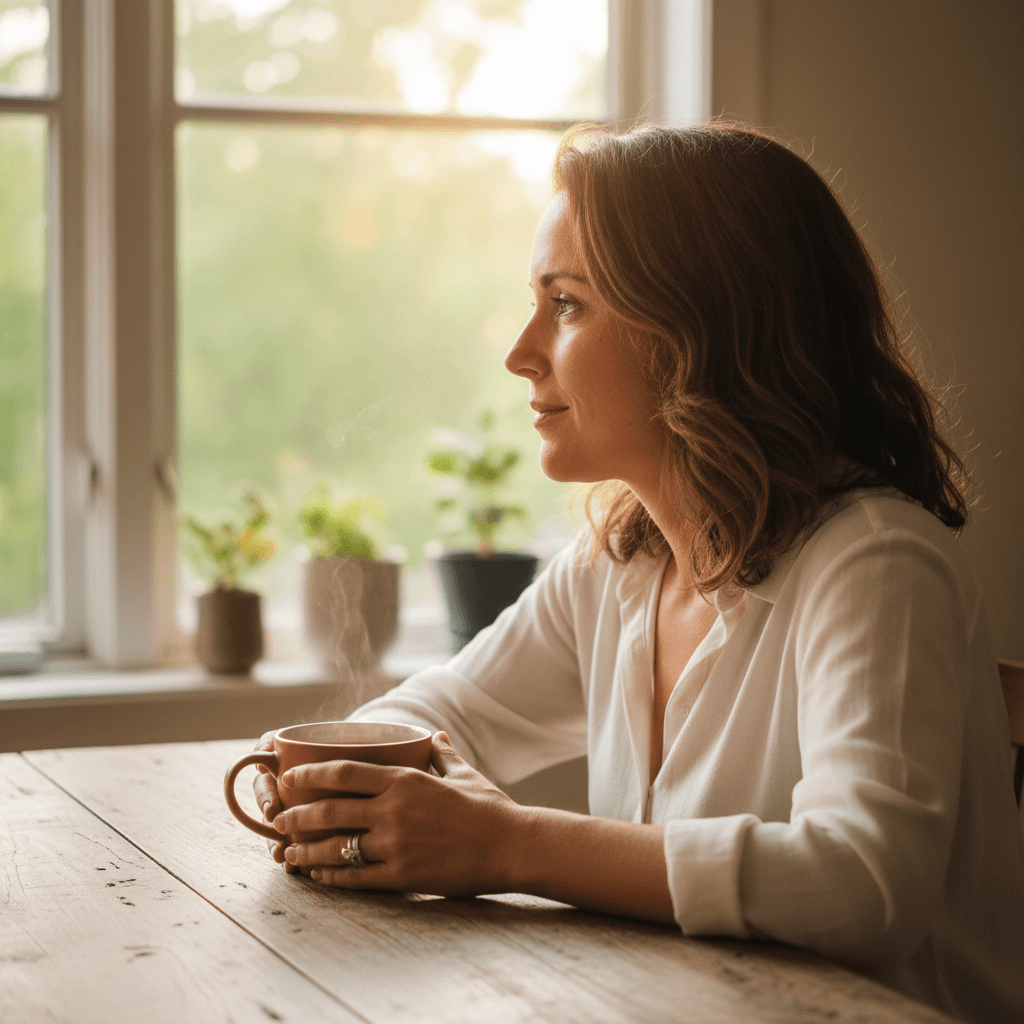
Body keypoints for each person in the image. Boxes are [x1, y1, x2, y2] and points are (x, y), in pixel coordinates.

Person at [254, 124, 1024, 1023]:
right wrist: (373, 787)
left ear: (698, 328)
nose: (521, 352)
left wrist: (505, 844)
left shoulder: (877, 567)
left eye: (567, 305)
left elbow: (862, 887)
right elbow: (437, 710)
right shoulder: (619, 566)